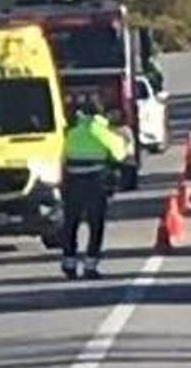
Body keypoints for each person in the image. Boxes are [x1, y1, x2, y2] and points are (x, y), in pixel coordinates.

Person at [61, 97, 127, 280]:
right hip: (94, 182)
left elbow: (62, 155)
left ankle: (69, 264)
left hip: (73, 181)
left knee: (71, 224)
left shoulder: (72, 131)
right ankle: (90, 266)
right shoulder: (100, 130)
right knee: (95, 225)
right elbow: (120, 154)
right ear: (100, 113)